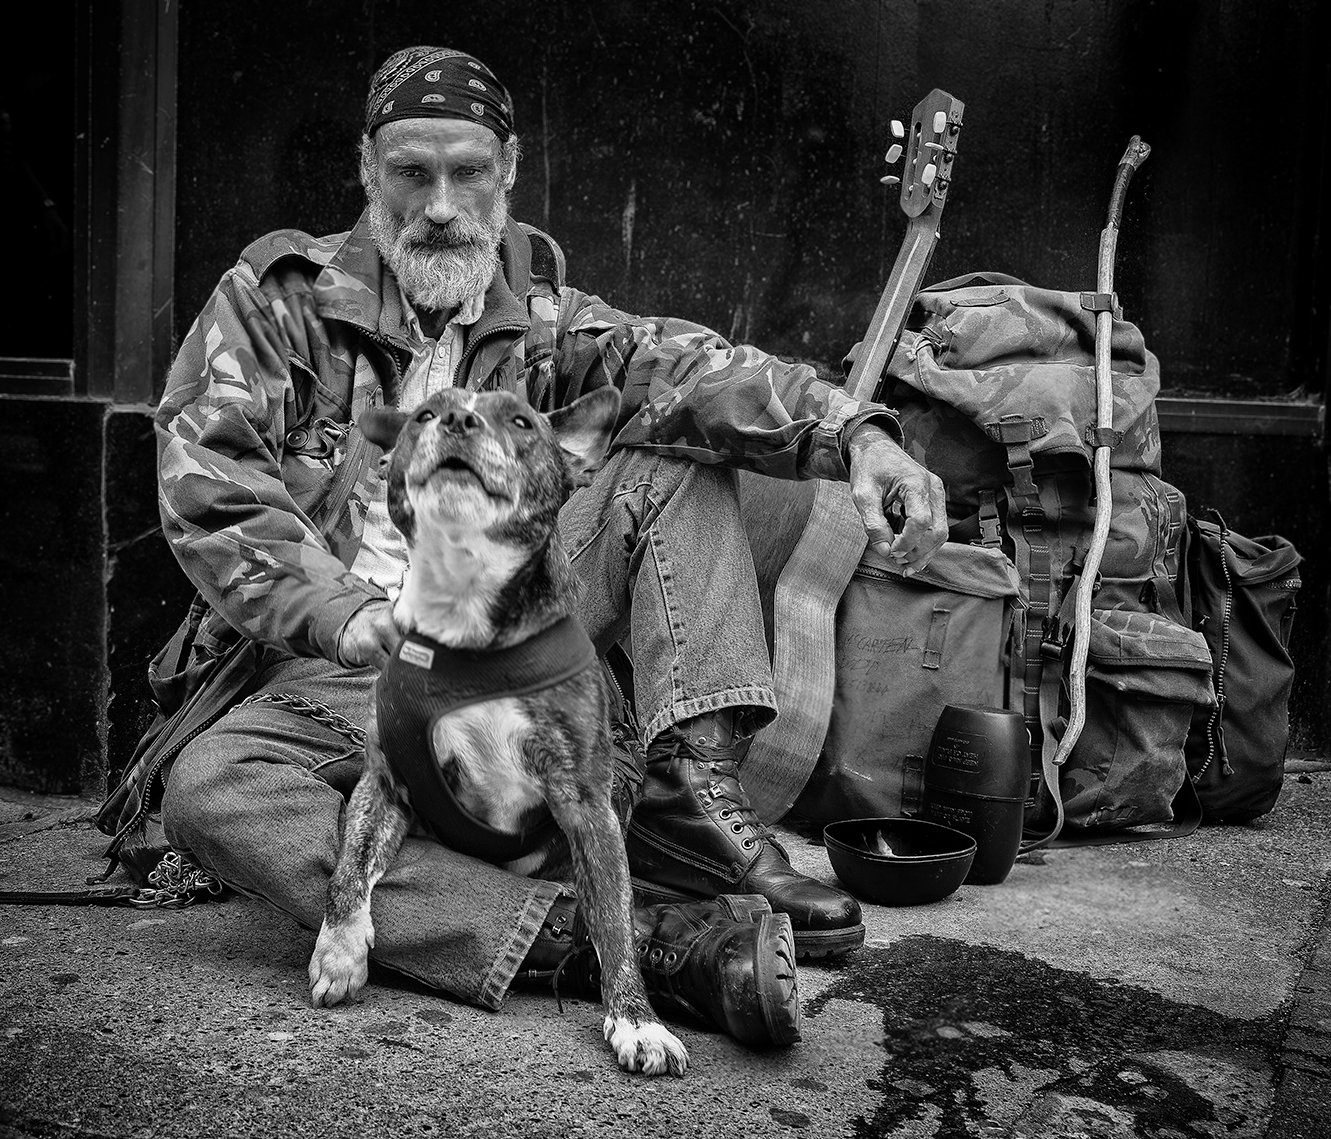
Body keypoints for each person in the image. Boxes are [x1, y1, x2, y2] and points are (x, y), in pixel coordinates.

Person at [99, 45, 947, 1047]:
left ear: (506, 174)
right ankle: (618, 941)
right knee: (215, 789)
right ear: (370, 173)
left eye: (467, 173)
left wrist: (860, 434)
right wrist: (344, 615)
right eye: (412, 173)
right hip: (341, 667)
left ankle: (687, 807)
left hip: (520, 635)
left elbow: (694, 366)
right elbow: (212, 491)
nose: (441, 205)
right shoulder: (276, 300)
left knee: (671, 449)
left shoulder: (545, 323)